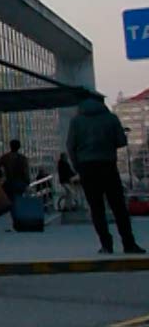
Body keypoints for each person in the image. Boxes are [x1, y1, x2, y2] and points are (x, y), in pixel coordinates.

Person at [67, 100, 144, 255]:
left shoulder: (76, 121)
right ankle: (129, 243)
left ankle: (106, 245)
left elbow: (70, 146)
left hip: (87, 167)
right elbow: (121, 141)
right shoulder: (111, 118)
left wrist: (78, 166)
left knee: (96, 208)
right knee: (119, 207)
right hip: (108, 165)